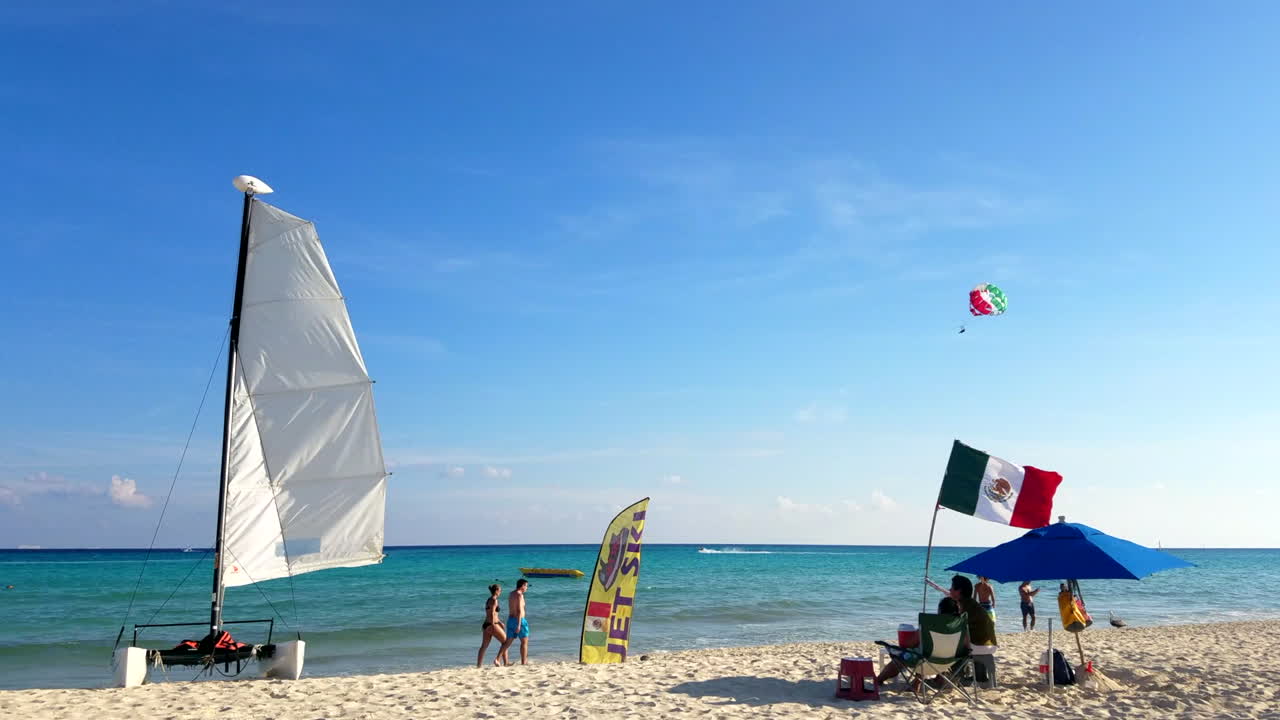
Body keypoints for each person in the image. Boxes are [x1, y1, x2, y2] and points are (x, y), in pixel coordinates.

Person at [875, 596, 961, 686]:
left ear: (940, 611)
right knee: (925, 652)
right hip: (948, 663)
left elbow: (909, 643)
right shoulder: (960, 627)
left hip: (926, 663)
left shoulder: (930, 625)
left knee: (903, 656)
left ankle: (879, 680)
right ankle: (917, 683)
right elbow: (966, 646)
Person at [950, 575, 996, 649]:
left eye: (952, 588)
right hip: (989, 645)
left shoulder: (966, 608)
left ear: (959, 591)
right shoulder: (971, 605)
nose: (949, 590)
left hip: (979, 647)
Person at [497, 578, 531, 665]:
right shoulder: (520, 595)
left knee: (508, 642)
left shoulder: (511, 594)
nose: (527, 588)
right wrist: (519, 624)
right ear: (522, 586)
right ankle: (524, 662)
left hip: (511, 620)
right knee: (524, 642)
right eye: (526, 586)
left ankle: (497, 659)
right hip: (519, 620)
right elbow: (519, 611)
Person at [476, 583, 508, 667]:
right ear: (496, 591)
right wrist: (494, 625)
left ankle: (479, 665)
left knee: (484, 646)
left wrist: (500, 622)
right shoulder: (494, 600)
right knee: (506, 642)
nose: (500, 592)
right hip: (492, 624)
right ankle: (501, 661)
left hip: (486, 624)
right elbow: (493, 613)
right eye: (500, 590)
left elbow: (491, 614)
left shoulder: (489, 599)